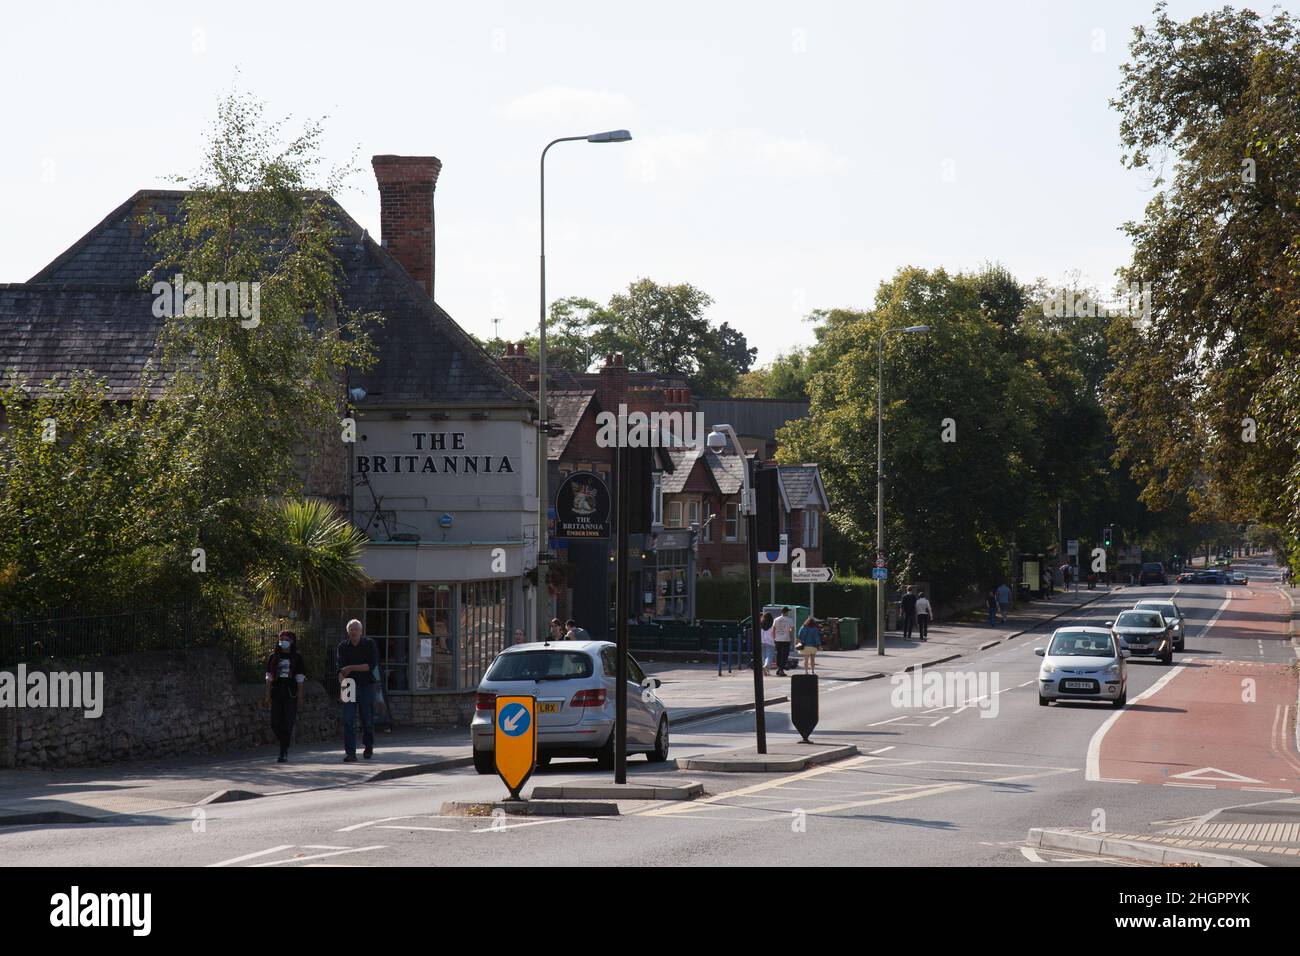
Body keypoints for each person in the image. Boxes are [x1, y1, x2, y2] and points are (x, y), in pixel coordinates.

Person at [338, 618, 380, 763]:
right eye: (351, 629)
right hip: (349, 686)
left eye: (356, 629)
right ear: (348, 631)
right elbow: (341, 671)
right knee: (348, 720)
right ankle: (351, 753)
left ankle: (368, 745)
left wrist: (351, 667)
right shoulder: (343, 647)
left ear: (361, 631)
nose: (353, 632)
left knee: (367, 720)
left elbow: (369, 666)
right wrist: (342, 691)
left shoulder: (369, 644)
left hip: (366, 685)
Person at [264, 629, 306, 764]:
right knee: (275, 723)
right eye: (281, 639)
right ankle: (284, 742)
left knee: (288, 723)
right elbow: (269, 677)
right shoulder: (273, 657)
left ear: (292, 642)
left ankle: (283, 751)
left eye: (287, 640)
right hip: (277, 693)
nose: (283, 642)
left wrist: (300, 697)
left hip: (290, 693)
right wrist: (267, 695)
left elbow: (300, 678)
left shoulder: (297, 658)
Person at [772, 607, 795, 676]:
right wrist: (789, 633)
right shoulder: (789, 619)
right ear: (786, 612)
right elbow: (792, 629)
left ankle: (779, 668)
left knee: (778, 654)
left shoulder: (776, 619)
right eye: (788, 612)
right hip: (786, 639)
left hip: (777, 639)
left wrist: (774, 638)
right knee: (784, 655)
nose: (788, 613)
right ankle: (781, 669)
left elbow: (773, 629)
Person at [759, 610, 775, 676]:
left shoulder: (761, 624)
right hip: (770, 642)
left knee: (763, 656)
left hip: (762, 641)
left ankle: (765, 670)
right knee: (769, 656)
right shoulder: (772, 625)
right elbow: (773, 634)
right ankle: (766, 666)